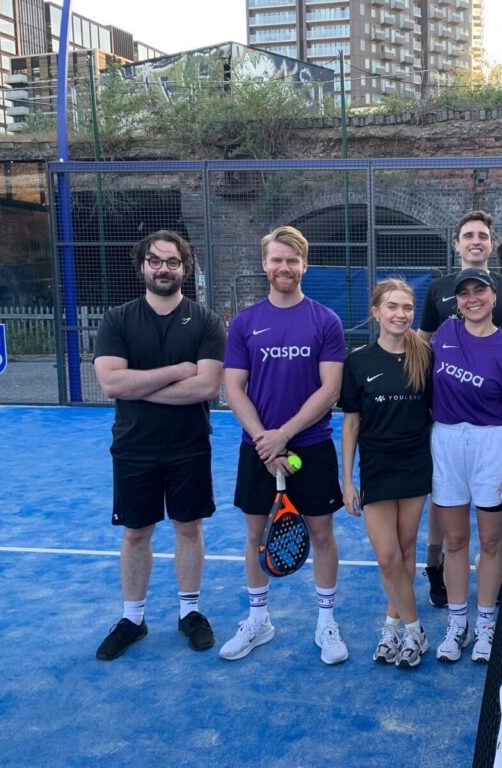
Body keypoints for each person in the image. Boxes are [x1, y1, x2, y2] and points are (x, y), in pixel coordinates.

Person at [93, 230, 226, 661]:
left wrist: (140, 386)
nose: (163, 268)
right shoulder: (118, 320)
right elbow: (112, 384)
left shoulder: (205, 321)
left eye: (172, 261)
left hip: (189, 445)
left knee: (189, 528)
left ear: (184, 267)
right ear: (143, 266)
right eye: (155, 260)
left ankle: (189, 613)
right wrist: (176, 371)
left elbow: (206, 387)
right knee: (136, 534)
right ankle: (133, 619)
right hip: (134, 447)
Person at [220, 225, 349, 665]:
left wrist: (284, 435)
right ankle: (258, 621)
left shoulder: (325, 321)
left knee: (322, 535)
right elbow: (233, 389)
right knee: (256, 534)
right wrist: (265, 440)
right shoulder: (245, 322)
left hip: (311, 447)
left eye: (292, 260)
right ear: (265, 264)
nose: (284, 267)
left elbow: (330, 389)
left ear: (304, 265)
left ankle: (326, 623)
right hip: (258, 450)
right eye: (277, 259)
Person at [418, 209, 502, 609]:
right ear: (457, 243)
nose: (476, 241)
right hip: (447, 425)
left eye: (482, 235)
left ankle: (486, 609)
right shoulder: (439, 296)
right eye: (468, 235)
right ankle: (436, 566)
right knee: (448, 519)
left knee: (490, 534)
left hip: (492, 420)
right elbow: (420, 345)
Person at [431, 267, 502, 664]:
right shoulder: (444, 333)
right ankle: (458, 624)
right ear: (457, 301)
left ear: (493, 297)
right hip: (447, 444)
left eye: (480, 291)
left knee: (491, 542)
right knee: (455, 541)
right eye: (465, 293)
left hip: (492, 445)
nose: (472, 299)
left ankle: (486, 624)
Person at [340, 279, 434, 668]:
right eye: (392, 306)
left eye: (407, 307)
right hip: (377, 468)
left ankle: (393, 625)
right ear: (376, 312)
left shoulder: (426, 356)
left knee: (406, 549)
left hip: (415, 464)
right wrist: (347, 479)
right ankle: (415, 630)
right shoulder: (357, 361)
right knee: (387, 556)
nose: (400, 314)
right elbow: (351, 423)